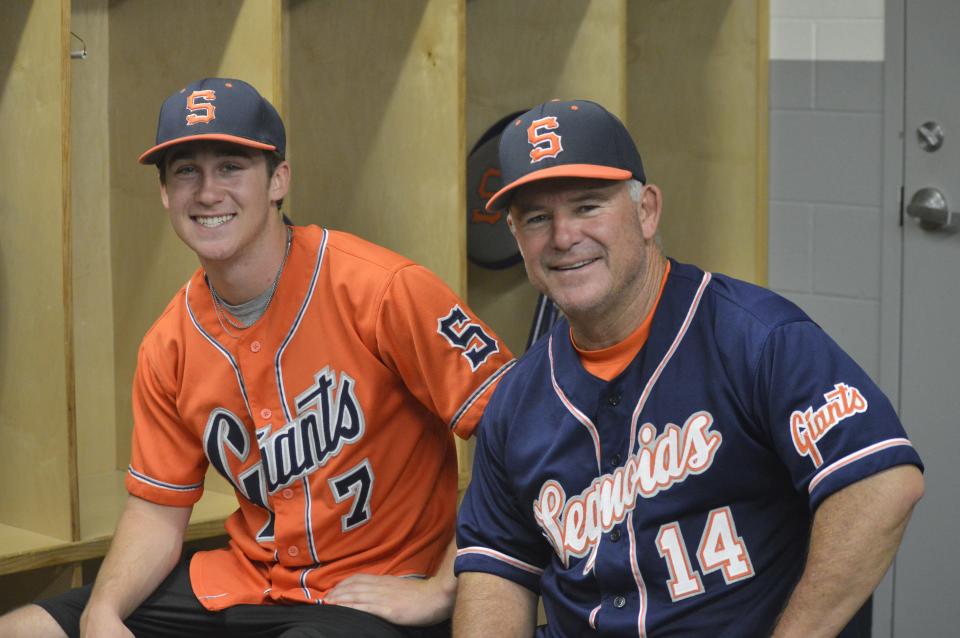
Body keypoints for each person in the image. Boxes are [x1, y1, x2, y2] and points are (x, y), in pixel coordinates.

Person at [0, 77, 515, 638]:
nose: (207, 191)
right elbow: (156, 512)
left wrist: (442, 586)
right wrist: (103, 612)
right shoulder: (168, 344)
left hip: (370, 596)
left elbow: (521, 433)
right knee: (28, 628)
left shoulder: (384, 290)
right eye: (185, 171)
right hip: (249, 582)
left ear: (278, 180)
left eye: (230, 166)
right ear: (165, 195)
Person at [452, 99, 924, 637]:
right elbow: (495, 570)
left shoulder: (756, 338)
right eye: (537, 218)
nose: (563, 237)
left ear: (647, 210)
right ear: (516, 237)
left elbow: (882, 483)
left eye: (587, 207)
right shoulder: (516, 402)